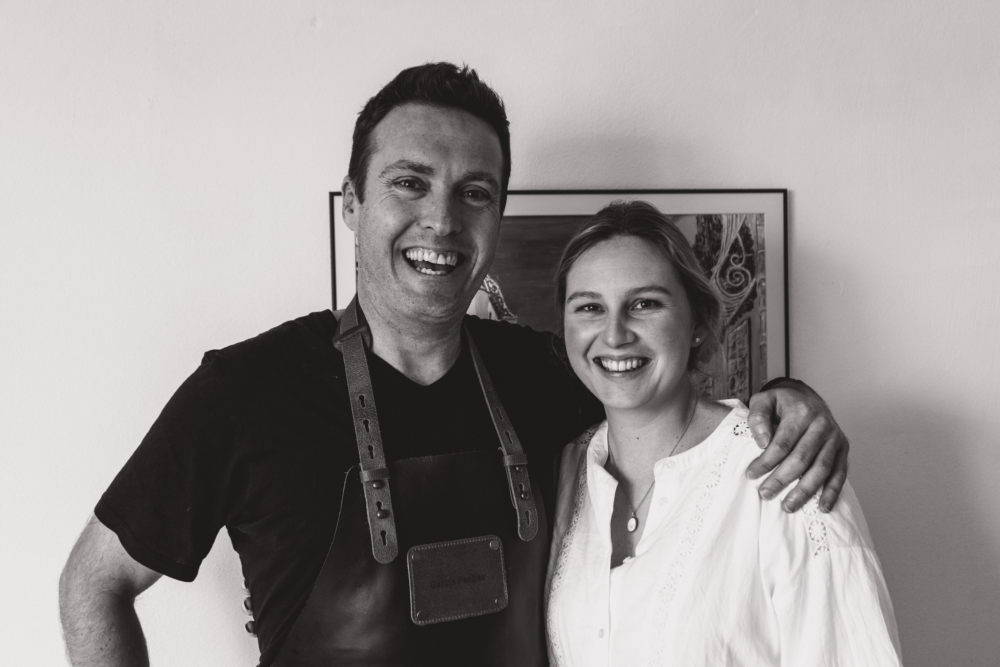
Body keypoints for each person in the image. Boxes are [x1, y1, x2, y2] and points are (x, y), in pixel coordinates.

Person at [59, 63, 851, 667]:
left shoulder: (548, 374)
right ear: (352, 202)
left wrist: (789, 398)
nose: (441, 219)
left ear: (496, 216)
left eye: (475, 192)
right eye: (410, 183)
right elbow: (92, 583)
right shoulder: (243, 393)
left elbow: (678, 420)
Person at [545, 200, 901, 666]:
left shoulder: (787, 468)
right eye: (590, 307)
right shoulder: (561, 472)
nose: (614, 335)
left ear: (697, 322)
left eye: (645, 304)